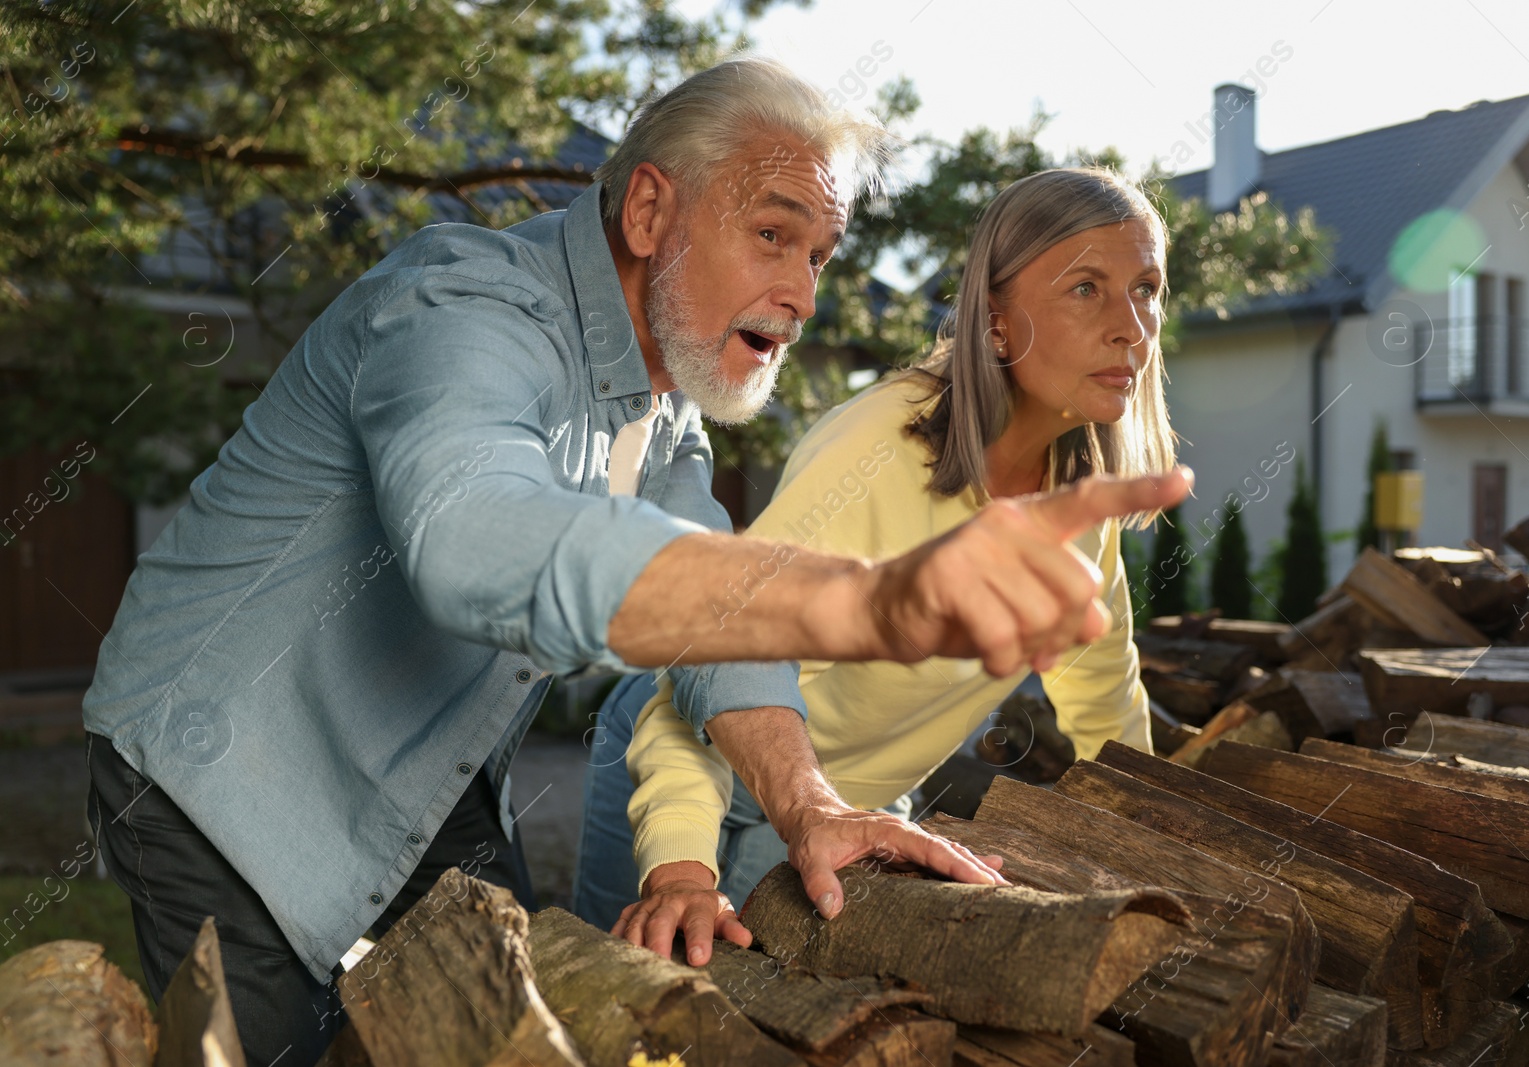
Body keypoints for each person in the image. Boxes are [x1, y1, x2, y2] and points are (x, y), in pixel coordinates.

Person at [82, 54, 1187, 1063]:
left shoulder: (667, 417)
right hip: (218, 768)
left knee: (512, 1031)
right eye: (772, 234)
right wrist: (869, 600)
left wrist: (806, 804)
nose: (802, 293)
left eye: (819, 254)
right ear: (654, 208)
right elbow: (472, 535)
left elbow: (720, 630)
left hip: (420, 782)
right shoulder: (463, 302)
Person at [572, 166, 1179, 966]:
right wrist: (682, 868)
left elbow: (1102, 696)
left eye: (1147, 288)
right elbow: (705, 658)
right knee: (626, 1015)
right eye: (1086, 289)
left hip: (850, 805)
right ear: (995, 319)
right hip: (693, 769)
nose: (1132, 326)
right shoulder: (874, 452)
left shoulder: (1077, 493)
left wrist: (1167, 846)